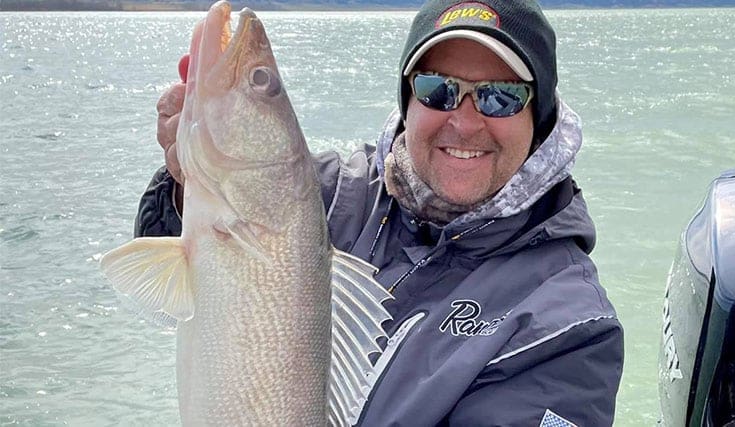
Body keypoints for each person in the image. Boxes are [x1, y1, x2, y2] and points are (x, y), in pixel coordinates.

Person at [137, 0, 624, 425]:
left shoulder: (570, 326)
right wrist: (182, 185)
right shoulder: (323, 195)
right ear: (408, 100)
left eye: (502, 95)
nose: (465, 120)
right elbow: (170, 292)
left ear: (537, 118)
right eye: (439, 89)